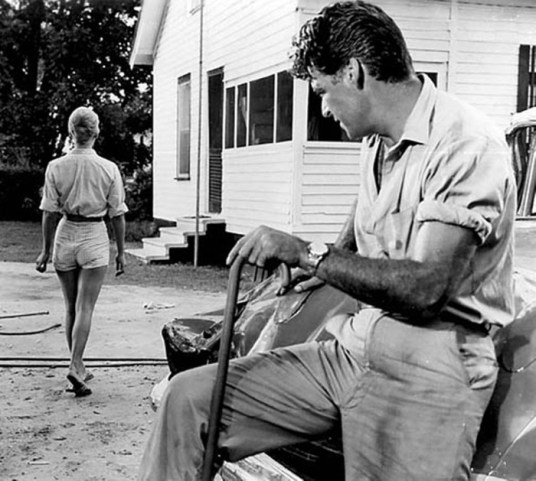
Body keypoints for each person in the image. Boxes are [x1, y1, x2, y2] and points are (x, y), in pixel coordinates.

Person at [139, 1, 516, 479]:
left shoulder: (465, 144)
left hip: (432, 367)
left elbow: (427, 288)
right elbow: (360, 227)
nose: (322, 107)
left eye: (322, 90)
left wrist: (307, 253)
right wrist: (314, 268)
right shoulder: (377, 141)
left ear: (353, 73)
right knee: (188, 400)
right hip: (356, 346)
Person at [36, 106, 127, 397]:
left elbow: (49, 212)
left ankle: (78, 365)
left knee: (70, 307)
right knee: (85, 308)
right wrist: (121, 252)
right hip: (94, 235)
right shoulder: (108, 168)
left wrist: (45, 251)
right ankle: (75, 366)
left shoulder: (56, 166)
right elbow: (117, 214)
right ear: (95, 132)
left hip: (65, 234)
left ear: (70, 132)